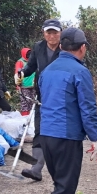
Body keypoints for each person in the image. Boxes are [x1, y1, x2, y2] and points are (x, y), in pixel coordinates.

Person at [38, 27, 97, 194]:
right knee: (66, 182)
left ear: (62, 46)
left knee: (60, 176)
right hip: (66, 135)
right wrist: (95, 139)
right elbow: (87, 107)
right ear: (82, 48)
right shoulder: (79, 72)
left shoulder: (47, 71)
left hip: (46, 133)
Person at [19, 19, 62, 181]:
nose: (52, 36)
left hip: (60, 97)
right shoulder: (38, 47)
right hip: (42, 96)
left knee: (58, 131)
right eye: (48, 32)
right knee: (40, 130)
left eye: (55, 32)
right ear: (44, 33)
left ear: (60, 33)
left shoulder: (66, 47)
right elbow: (30, 67)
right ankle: (36, 168)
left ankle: (59, 165)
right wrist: (22, 74)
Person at [15, 47, 33, 116]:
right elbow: (17, 74)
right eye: (27, 54)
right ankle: (25, 117)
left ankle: (32, 118)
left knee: (33, 102)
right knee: (25, 103)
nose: (29, 55)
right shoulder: (20, 62)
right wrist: (18, 86)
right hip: (24, 85)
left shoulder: (32, 61)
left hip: (33, 85)